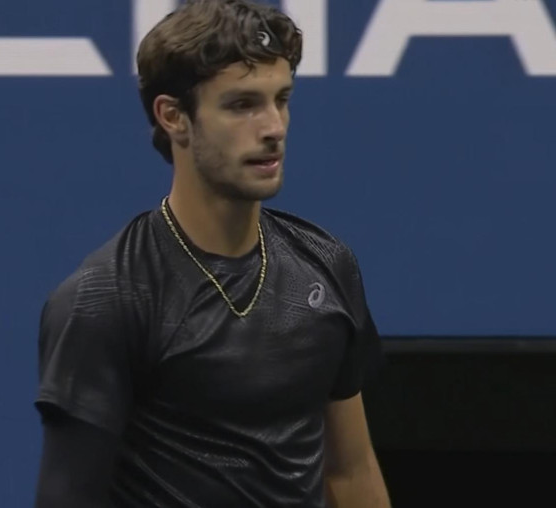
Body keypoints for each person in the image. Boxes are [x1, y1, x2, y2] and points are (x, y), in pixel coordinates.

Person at [34, 0, 391, 506]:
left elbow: (351, 473)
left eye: (281, 99)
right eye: (242, 105)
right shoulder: (105, 300)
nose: (274, 127)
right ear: (173, 116)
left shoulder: (327, 265)